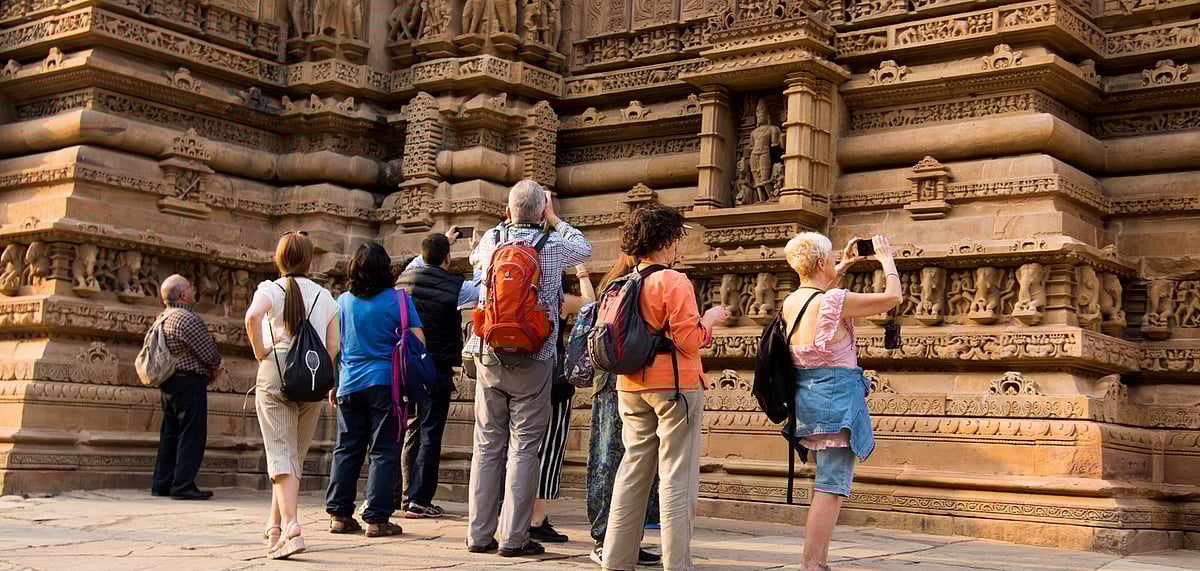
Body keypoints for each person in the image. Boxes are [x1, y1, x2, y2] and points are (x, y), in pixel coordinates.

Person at [465, 179, 592, 557]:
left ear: (508, 210)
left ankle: (478, 535)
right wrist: (552, 218)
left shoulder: (491, 241)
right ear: (541, 210)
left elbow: (474, 264)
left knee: (487, 445)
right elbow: (583, 247)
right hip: (535, 355)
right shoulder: (552, 245)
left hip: (488, 351)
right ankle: (514, 538)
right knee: (524, 448)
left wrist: (509, 222)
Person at [603, 204, 728, 571]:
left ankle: (615, 560)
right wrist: (710, 321)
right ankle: (677, 564)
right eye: (676, 239)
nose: (678, 247)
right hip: (675, 387)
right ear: (667, 240)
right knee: (677, 477)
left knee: (632, 473)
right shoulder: (674, 281)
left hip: (630, 385)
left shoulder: (621, 283)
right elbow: (689, 340)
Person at [782, 233, 902, 571]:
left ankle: (816, 561)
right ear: (821, 263)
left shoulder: (792, 301)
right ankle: (812, 563)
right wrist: (885, 258)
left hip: (810, 401)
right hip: (837, 405)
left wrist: (845, 263)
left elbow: (819, 290)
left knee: (829, 481)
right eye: (831, 259)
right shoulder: (833, 301)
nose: (836, 263)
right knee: (831, 486)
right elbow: (893, 297)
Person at [245, 231, 339, 559]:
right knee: (291, 455)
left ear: (280, 258)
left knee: (280, 451)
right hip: (311, 377)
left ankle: (291, 526)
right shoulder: (326, 297)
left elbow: (253, 317)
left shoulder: (271, 289)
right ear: (309, 259)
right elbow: (332, 347)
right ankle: (274, 527)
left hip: (277, 369)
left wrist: (260, 351)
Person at [325, 242, 424, 537]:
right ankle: (376, 519)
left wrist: (335, 382)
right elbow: (419, 342)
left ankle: (339, 515)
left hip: (349, 383)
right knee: (383, 450)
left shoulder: (341, 302)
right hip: (387, 384)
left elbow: (334, 346)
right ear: (385, 269)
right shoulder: (400, 301)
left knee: (346, 448)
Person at [583, 255, 661, 567]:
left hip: (620, 379)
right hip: (622, 380)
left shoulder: (614, 286)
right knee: (614, 458)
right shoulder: (630, 286)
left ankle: (622, 537)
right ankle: (606, 537)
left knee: (623, 459)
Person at [396, 231, 474, 519]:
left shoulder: (404, 279)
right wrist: (476, 253)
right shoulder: (456, 286)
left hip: (404, 366)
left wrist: (442, 245)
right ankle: (419, 499)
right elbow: (482, 288)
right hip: (437, 366)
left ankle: (403, 496)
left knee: (408, 429)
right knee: (430, 432)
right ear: (447, 258)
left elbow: (416, 265)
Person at [528, 264, 595, 544]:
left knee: (521, 448)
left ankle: (515, 514)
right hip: (553, 380)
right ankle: (536, 519)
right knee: (549, 448)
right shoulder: (558, 300)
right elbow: (591, 306)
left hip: (518, 377)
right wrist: (582, 272)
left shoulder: (524, 294)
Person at [150, 274, 224, 501]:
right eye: (191, 287)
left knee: (170, 434)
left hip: (170, 381)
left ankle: (162, 482)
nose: (194, 291)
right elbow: (210, 353)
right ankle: (182, 484)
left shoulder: (163, 317)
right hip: (189, 382)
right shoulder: (186, 319)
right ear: (183, 294)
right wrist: (216, 368)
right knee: (191, 435)